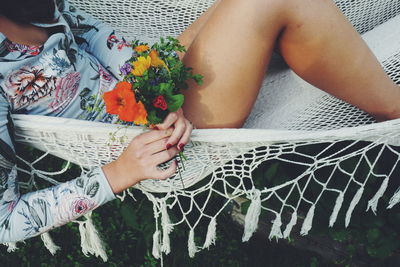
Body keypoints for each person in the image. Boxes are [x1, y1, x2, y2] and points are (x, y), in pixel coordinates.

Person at [0, 0, 398, 243]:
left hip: (154, 96)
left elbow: (95, 38)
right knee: (271, 1)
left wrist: (153, 91)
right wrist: (120, 172)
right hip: (153, 147)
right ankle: (394, 112)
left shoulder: (24, 4)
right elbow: (6, 221)